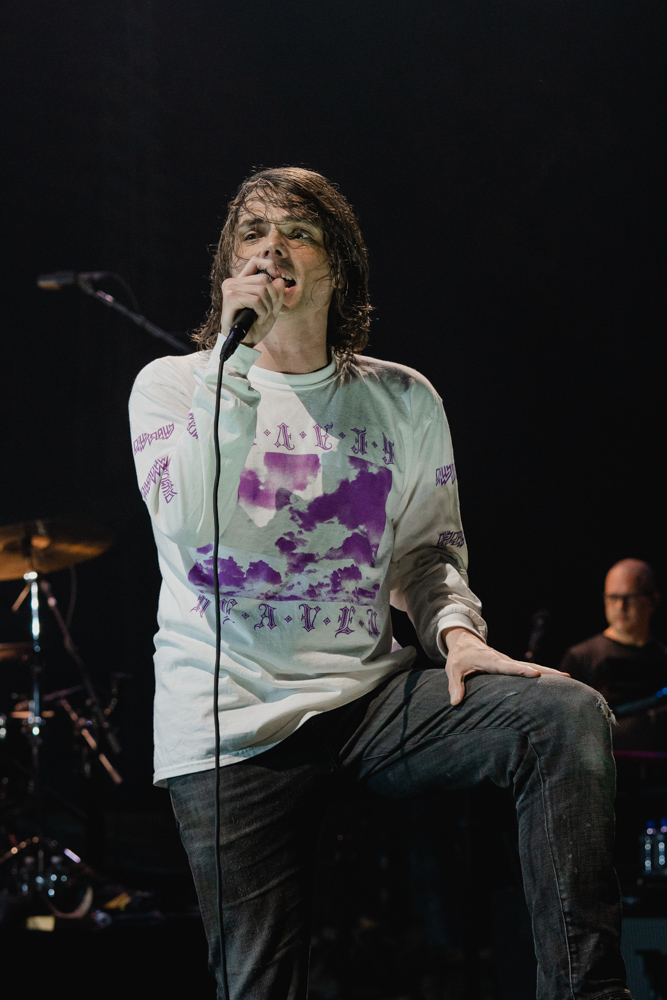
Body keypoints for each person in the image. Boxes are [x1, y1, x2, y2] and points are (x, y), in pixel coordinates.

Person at [129, 167, 632, 1000]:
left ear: (338, 267)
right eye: (252, 233)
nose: (270, 249)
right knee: (256, 985)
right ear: (227, 264)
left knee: (564, 716)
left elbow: (426, 556)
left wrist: (457, 635)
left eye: (297, 233)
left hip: (368, 701)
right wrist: (232, 363)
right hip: (232, 724)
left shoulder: (401, 399)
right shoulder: (174, 387)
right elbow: (187, 525)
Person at [560, 558, 667, 750]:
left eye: (629, 597)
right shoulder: (581, 657)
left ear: (653, 600)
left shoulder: (662, 657)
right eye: (612, 597)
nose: (619, 606)